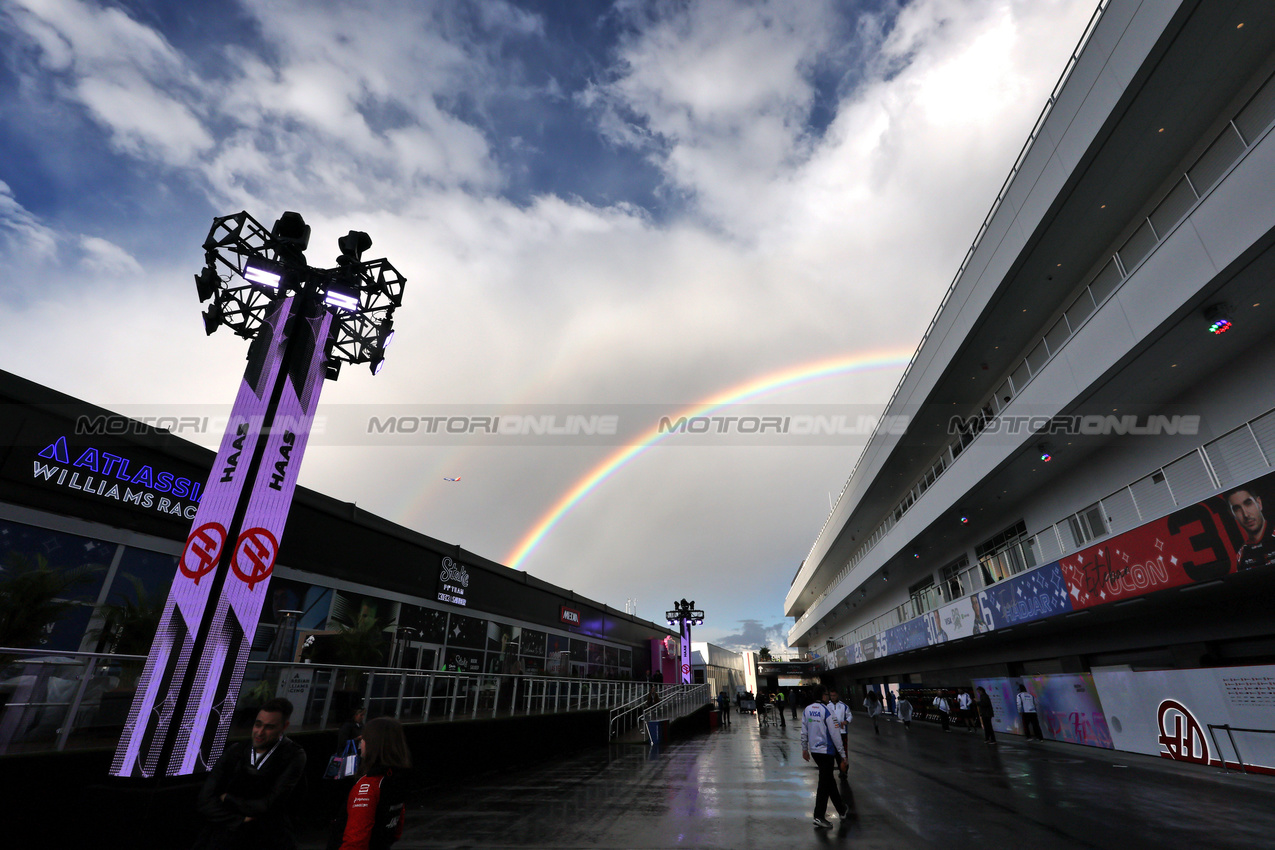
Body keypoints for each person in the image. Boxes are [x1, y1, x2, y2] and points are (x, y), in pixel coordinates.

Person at [195, 697, 307, 850]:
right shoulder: (236, 751)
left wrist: (228, 798)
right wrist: (239, 820)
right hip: (225, 836)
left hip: (267, 837)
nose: (260, 732)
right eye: (258, 724)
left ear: (284, 726)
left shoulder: (293, 755)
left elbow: (269, 805)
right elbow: (205, 799)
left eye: (269, 727)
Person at [327, 716, 412, 850]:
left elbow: (355, 842)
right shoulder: (397, 778)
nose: (361, 743)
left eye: (365, 739)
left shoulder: (368, 785)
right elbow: (396, 831)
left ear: (375, 744)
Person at [800, 686, 848, 829]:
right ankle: (819, 816)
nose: (828, 697)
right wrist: (843, 755)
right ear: (822, 695)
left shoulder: (807, 710)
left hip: (814, 751)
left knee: (829, 781)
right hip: (826, 751)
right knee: (824, 783)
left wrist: (804, 748)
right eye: (827, 694)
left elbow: (804, 731)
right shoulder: (828, 710)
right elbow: (835, 734)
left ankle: (841, 809)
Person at [1228, 488, 1275, 570]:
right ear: (1233, 514)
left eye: (1248, 503)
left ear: (1259, 503)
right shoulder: (1241, 554)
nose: (1245, 514)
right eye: (1237, 509)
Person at [827, 689, 850, 775]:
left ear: (837, 696)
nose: (832, 697)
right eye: (831, 696)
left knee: (843, 752)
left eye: (834, 695)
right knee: (834, 752)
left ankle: (844, 769)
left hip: (842, 732)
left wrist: (846, 722)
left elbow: (849, 716)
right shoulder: (827, 706)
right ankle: (837, 769)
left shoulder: (844, 706)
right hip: (831, 733)